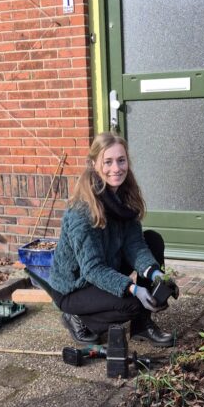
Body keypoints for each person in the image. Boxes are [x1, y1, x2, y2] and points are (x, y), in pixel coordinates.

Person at [48, 132, 178, 346]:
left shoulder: (125, 197)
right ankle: (77, 317)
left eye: (121, 160)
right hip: (75, 287)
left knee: (152, 240)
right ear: (94, 164)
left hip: (107, 266)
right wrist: (133, 288)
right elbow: (92, 269)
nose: (116, 168)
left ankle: (142, 326)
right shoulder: (82, 210)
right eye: (107, 162)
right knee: (132, 304)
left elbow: (135, 245)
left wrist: (155, 275)